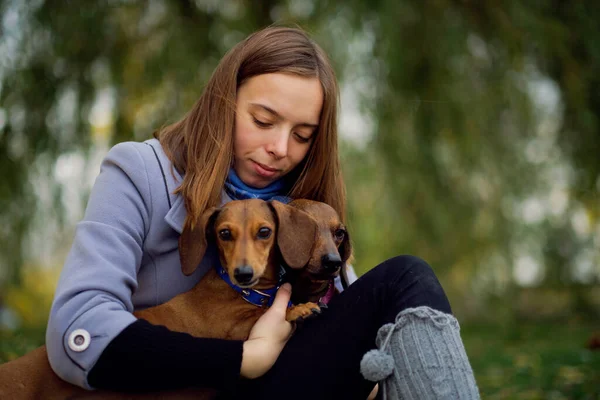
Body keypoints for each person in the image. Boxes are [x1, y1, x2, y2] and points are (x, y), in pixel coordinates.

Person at [46, 25, 480, 399]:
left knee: (404, 278)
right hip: (175, 387)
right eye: (263, 119)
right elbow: (78, 331)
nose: (280, 148)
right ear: (223, 101)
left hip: (279, 385)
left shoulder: (304, 209)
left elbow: (347, 318)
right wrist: (242, 358)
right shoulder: (139, 171)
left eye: (303, 134)